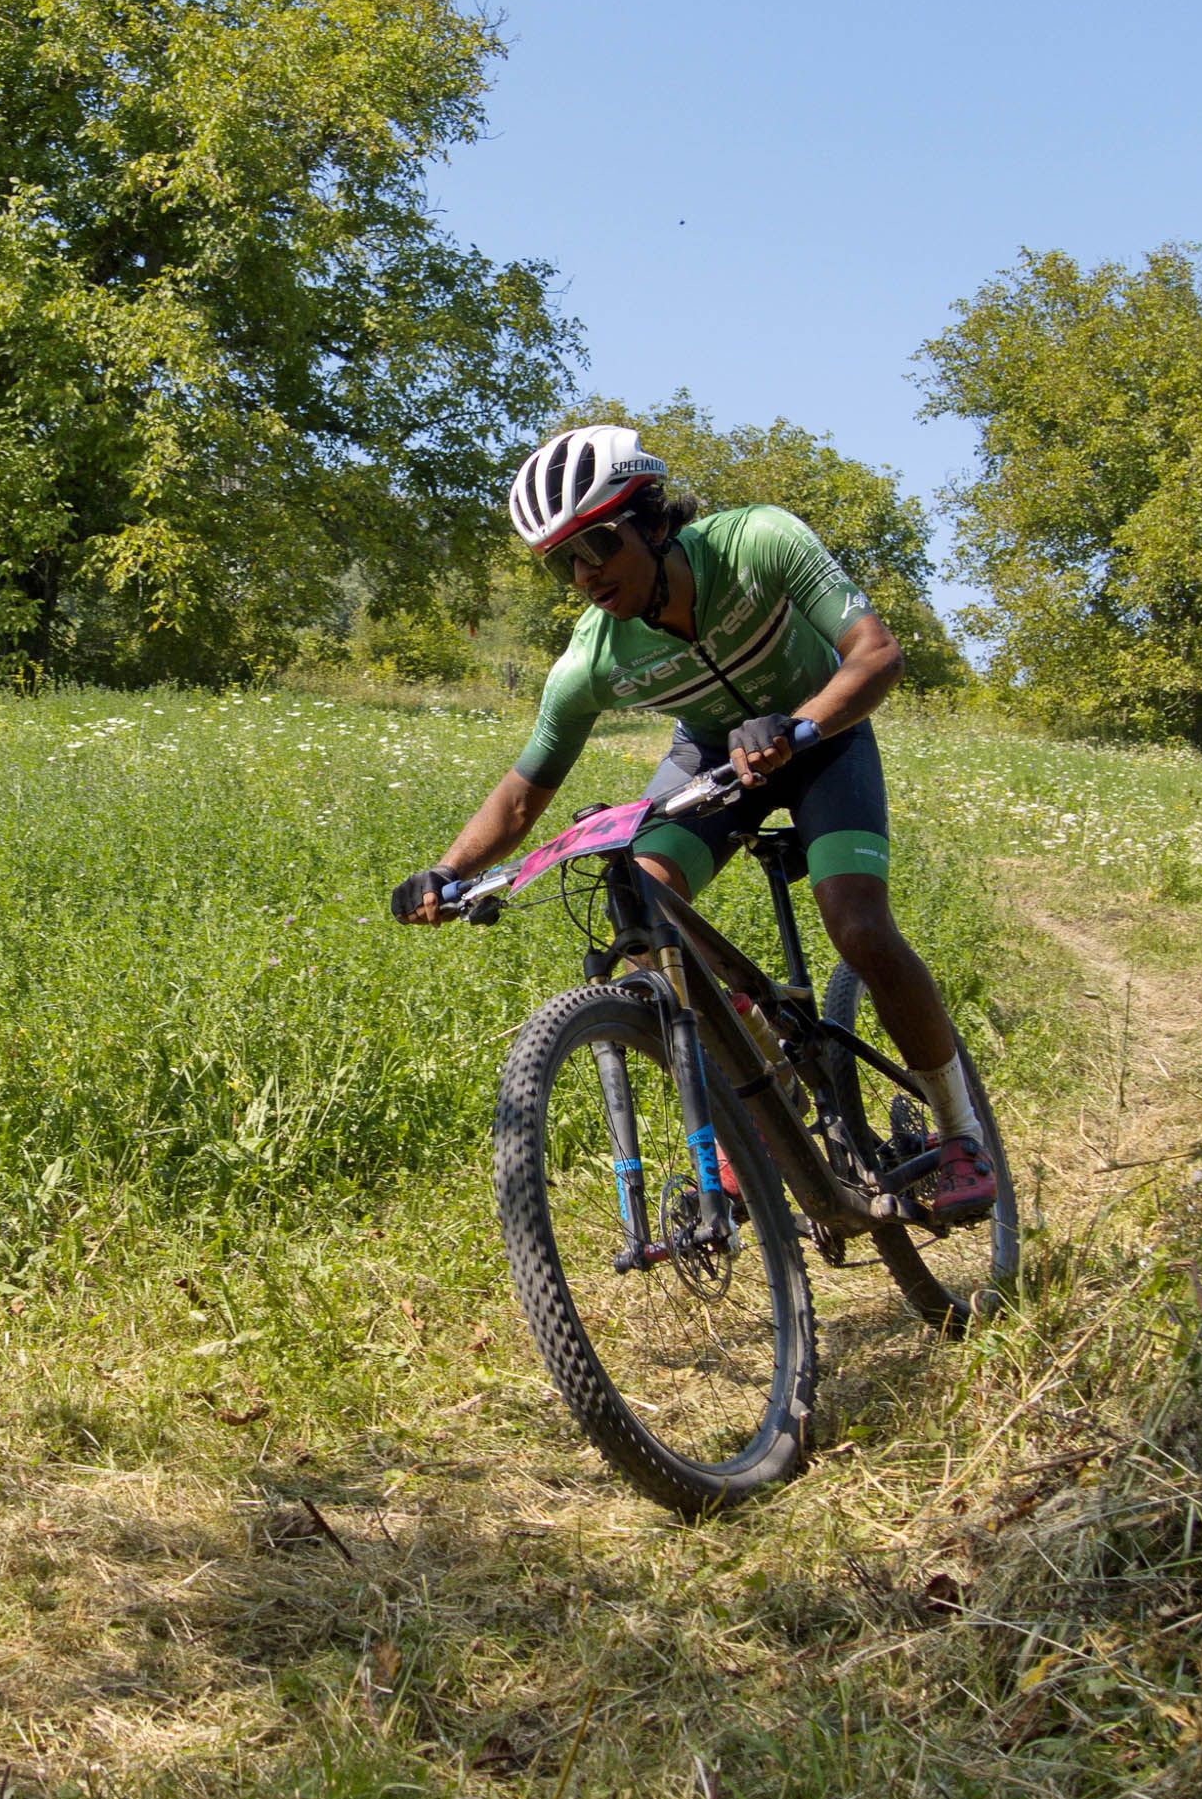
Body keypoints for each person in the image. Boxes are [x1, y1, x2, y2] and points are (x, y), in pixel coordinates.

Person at [390, 424, 993, 1217]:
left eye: (596, 544)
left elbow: (876, 655)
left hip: (824, 737)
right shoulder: (595, 656)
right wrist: (447, 870)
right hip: (713, 758)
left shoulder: (758, 544)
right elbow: (524, 790)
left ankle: (960, 1133)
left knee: (858, 926)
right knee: (639, 909)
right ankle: (767, 1080)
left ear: (650, 518)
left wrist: (798, 727)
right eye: (563, 561)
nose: (585, 573)